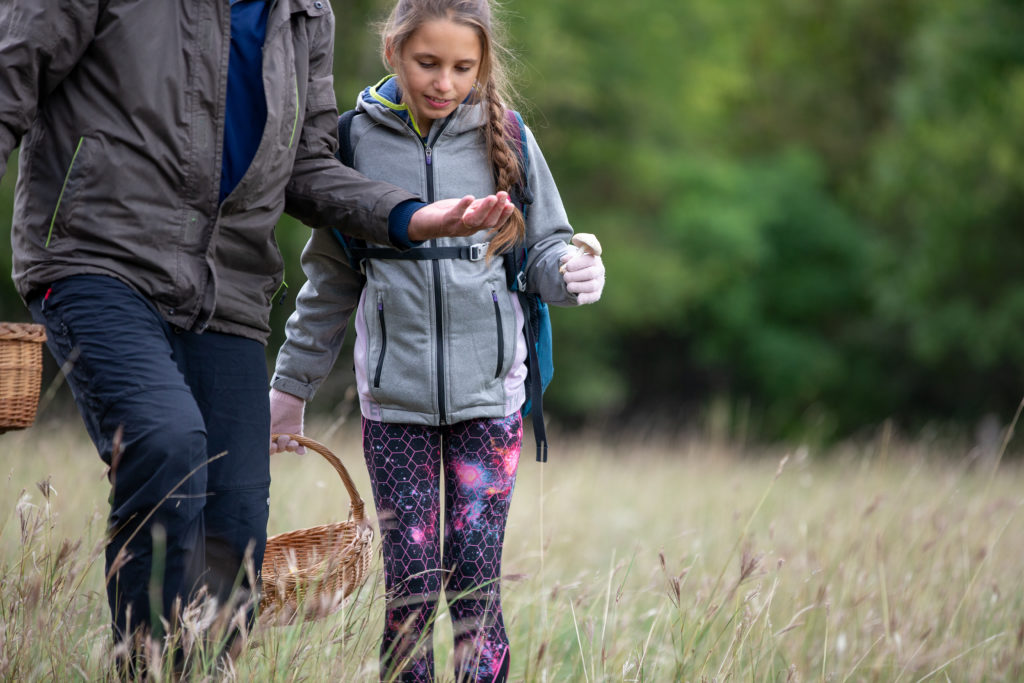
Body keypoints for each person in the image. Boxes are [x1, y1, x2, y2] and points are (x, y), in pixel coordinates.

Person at [0, 0, 516, 673]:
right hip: (97, 257)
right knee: (166, 441)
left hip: (230, 287)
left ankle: (201, 667)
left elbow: (307, 169)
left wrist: (409, 216)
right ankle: (148, 666)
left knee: (236, 521)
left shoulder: (304, 13)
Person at [268, 0, 605, 679]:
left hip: (492, 402)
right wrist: (290, 387)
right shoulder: (352, 142)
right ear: (392, 51)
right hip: (396, 409)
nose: (444, 83)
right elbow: (330, 282)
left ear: (482, 65)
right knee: (411, 587)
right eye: (428, 63)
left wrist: (572, 271)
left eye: (462, 67)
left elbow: (544, 251)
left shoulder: (506, 135)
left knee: (477, 583)